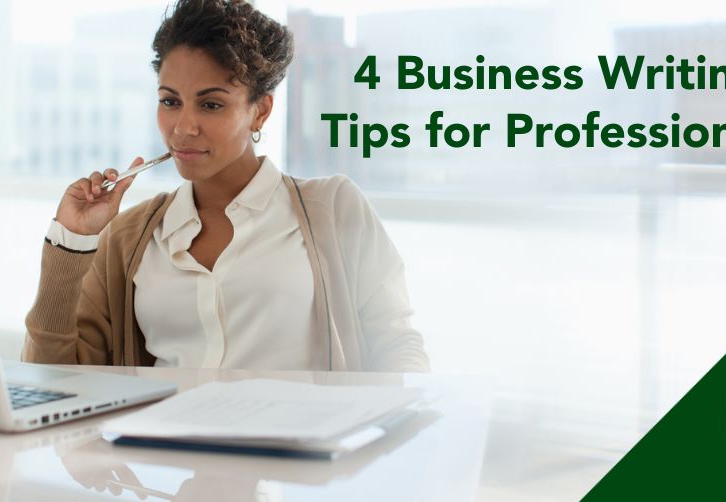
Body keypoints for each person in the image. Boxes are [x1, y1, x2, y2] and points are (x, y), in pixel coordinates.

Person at [22, 0, 429, 372]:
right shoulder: (129, 238)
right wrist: (72, 241)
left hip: (296, 450)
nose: (183, 127)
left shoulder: (334, 208)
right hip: (162, 450)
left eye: (211, 104)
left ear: (260, 111)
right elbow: (54, 379)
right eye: (170, 101)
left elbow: (397, 345)